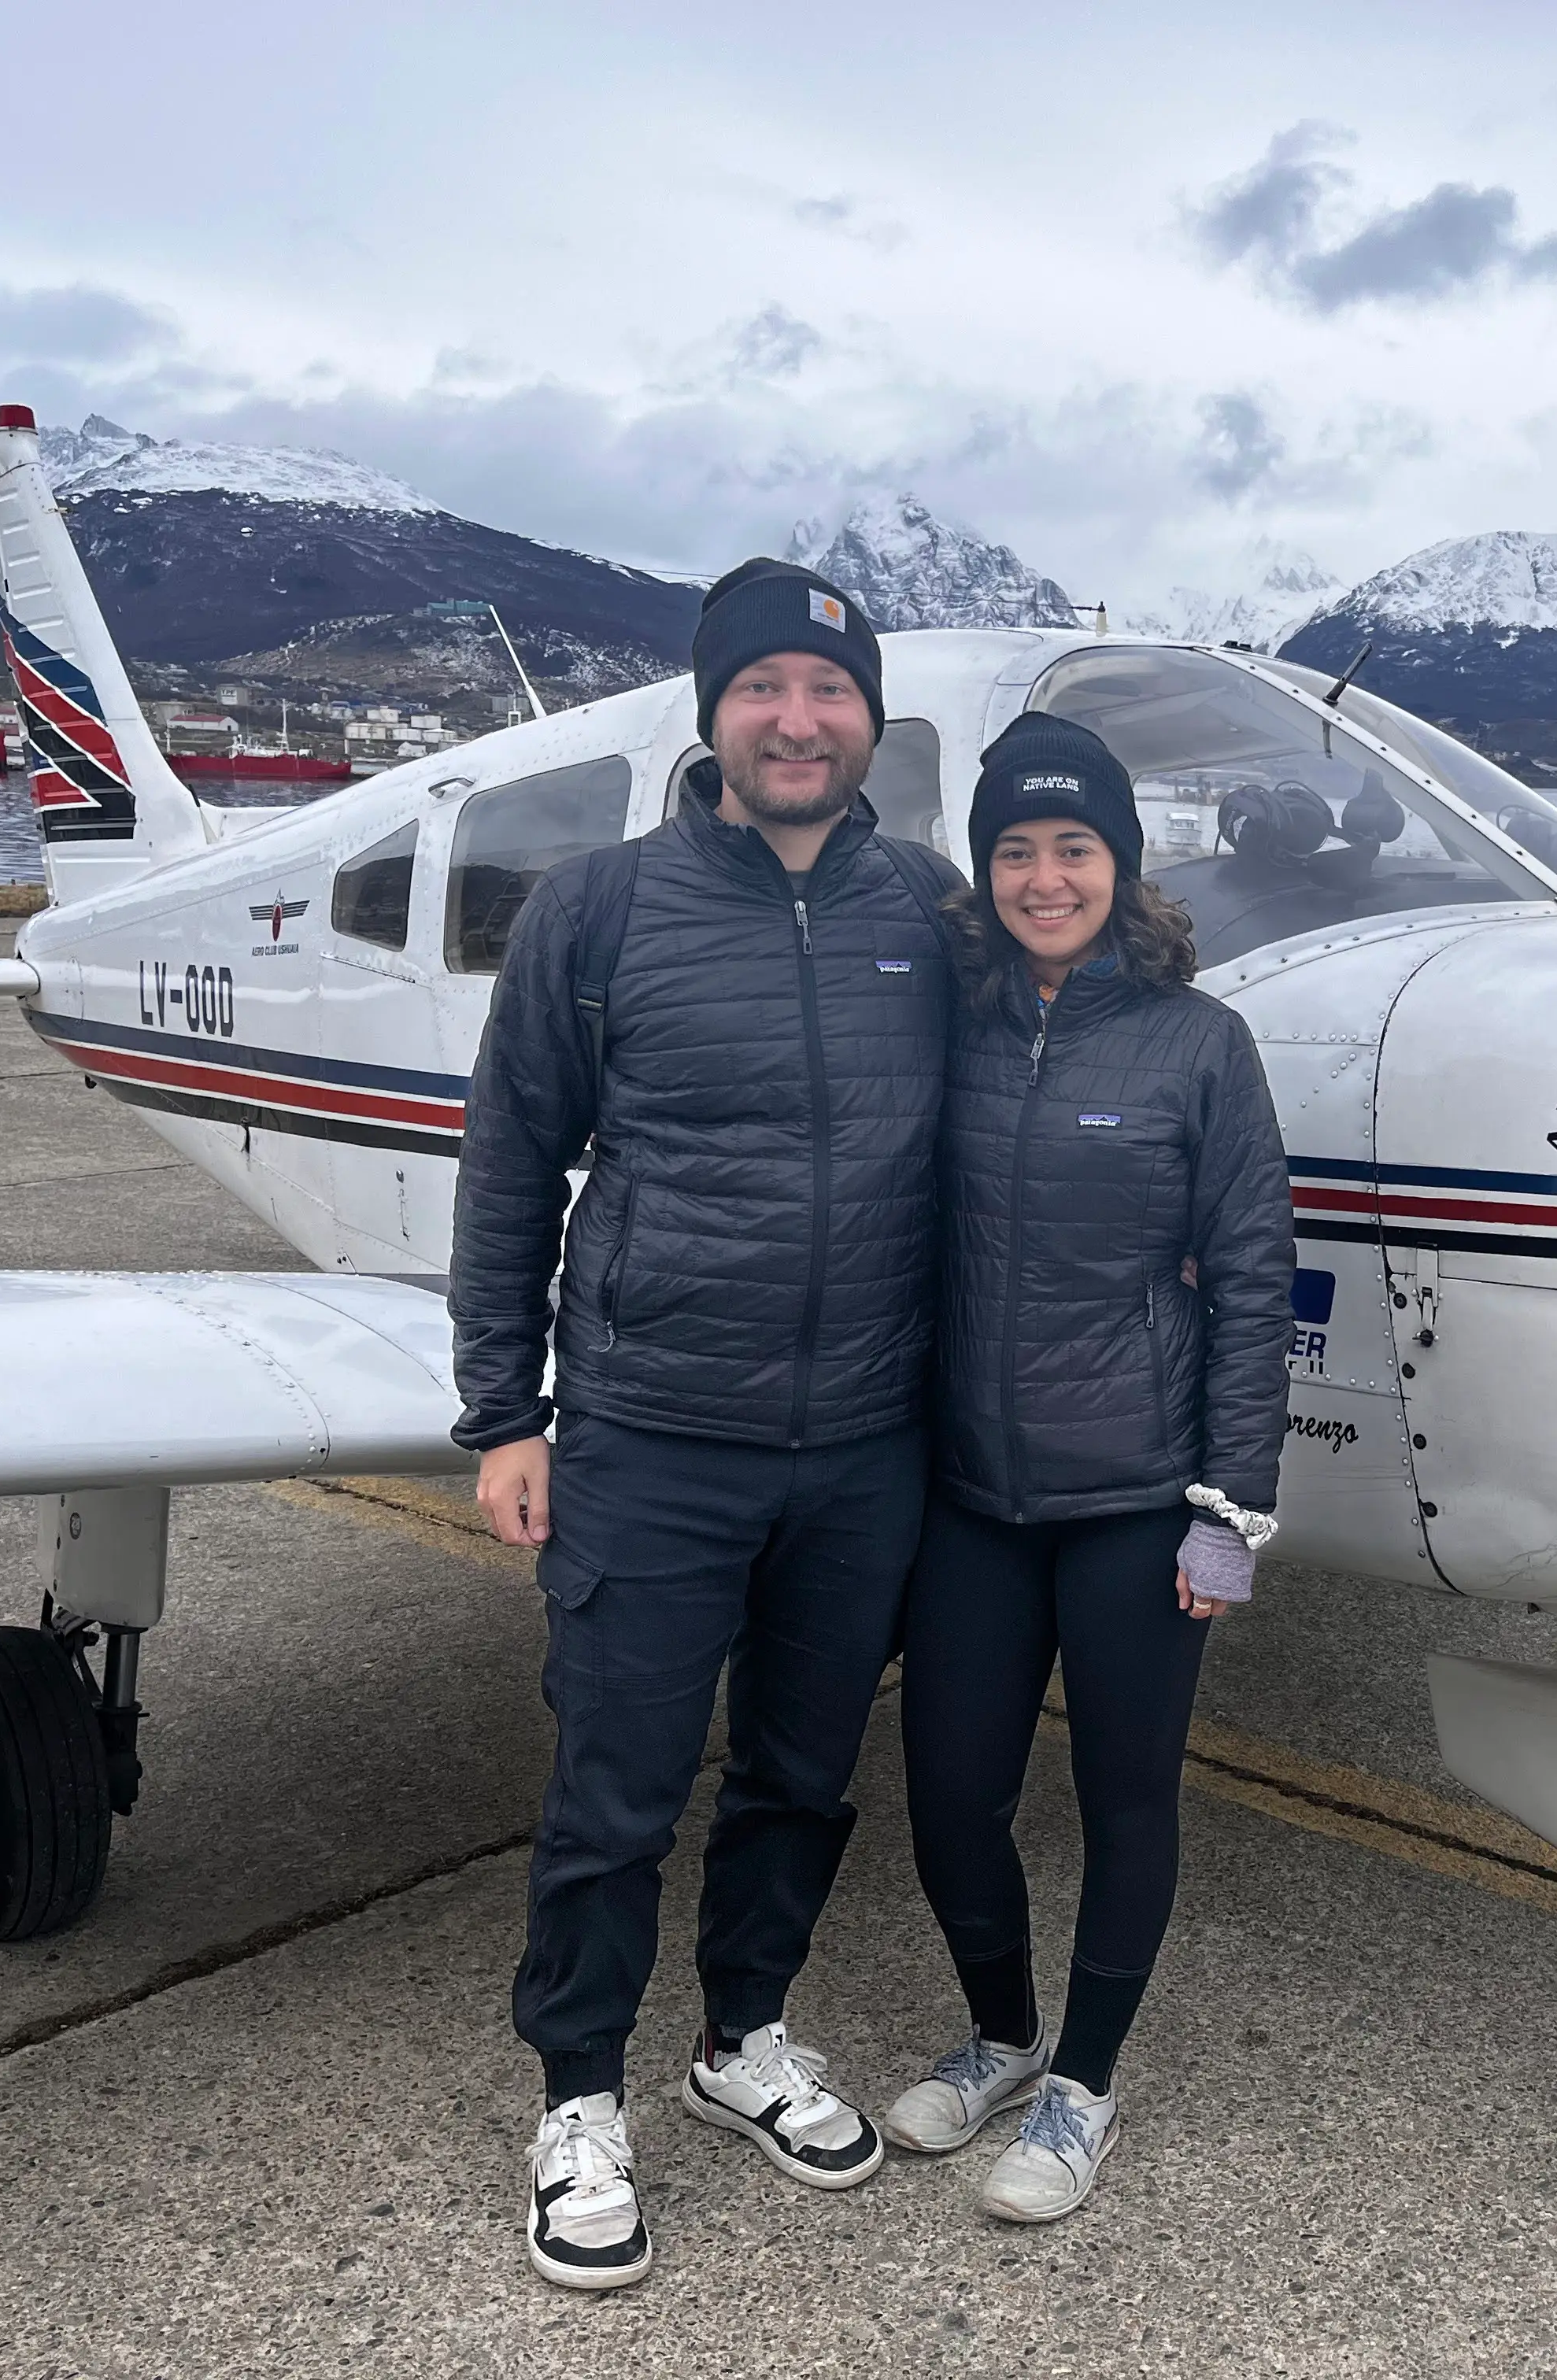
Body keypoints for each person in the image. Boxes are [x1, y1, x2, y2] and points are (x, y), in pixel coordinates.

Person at [449, 560, 963, 2292]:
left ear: (870, 720)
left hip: (867, 1442)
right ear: (712, 712)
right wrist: (500, 1414)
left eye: (828, 692)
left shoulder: (936, 913)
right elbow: (513, 1164)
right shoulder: (598, 914)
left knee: (806, 1774)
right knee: (618, 1785)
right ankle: (579, 2095)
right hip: (655, 1433)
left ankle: (744, 2032)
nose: (796, 720)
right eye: (763, 689)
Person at [878, 711, 1295, 2223]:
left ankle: (1083, 2088)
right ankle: (998, 2036)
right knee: (948, 1797)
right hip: (969, 1497)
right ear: (982, 872)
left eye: (1075, 848)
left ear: (1123, 869)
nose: (1045, 877)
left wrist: (1229, 1507)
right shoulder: (946, 1022)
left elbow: (1254, 1282)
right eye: (1015, 850)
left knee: (1127, 1802)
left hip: (1134, 1498)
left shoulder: (1200, 1044)